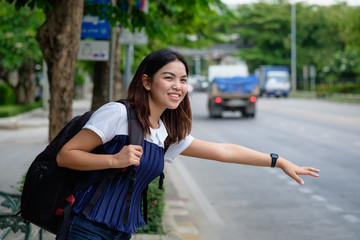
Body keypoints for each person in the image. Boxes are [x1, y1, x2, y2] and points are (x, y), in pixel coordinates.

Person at [57, 48, 320, 240]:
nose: (178, 86)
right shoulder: (117, 114)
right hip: (86, 227)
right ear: (147, 82)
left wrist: (278, 161)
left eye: (183, 80)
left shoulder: (165, 133)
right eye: (169, 77)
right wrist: (114, 160)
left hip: (122, 231)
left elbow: (224, 151)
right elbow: (66, 155)